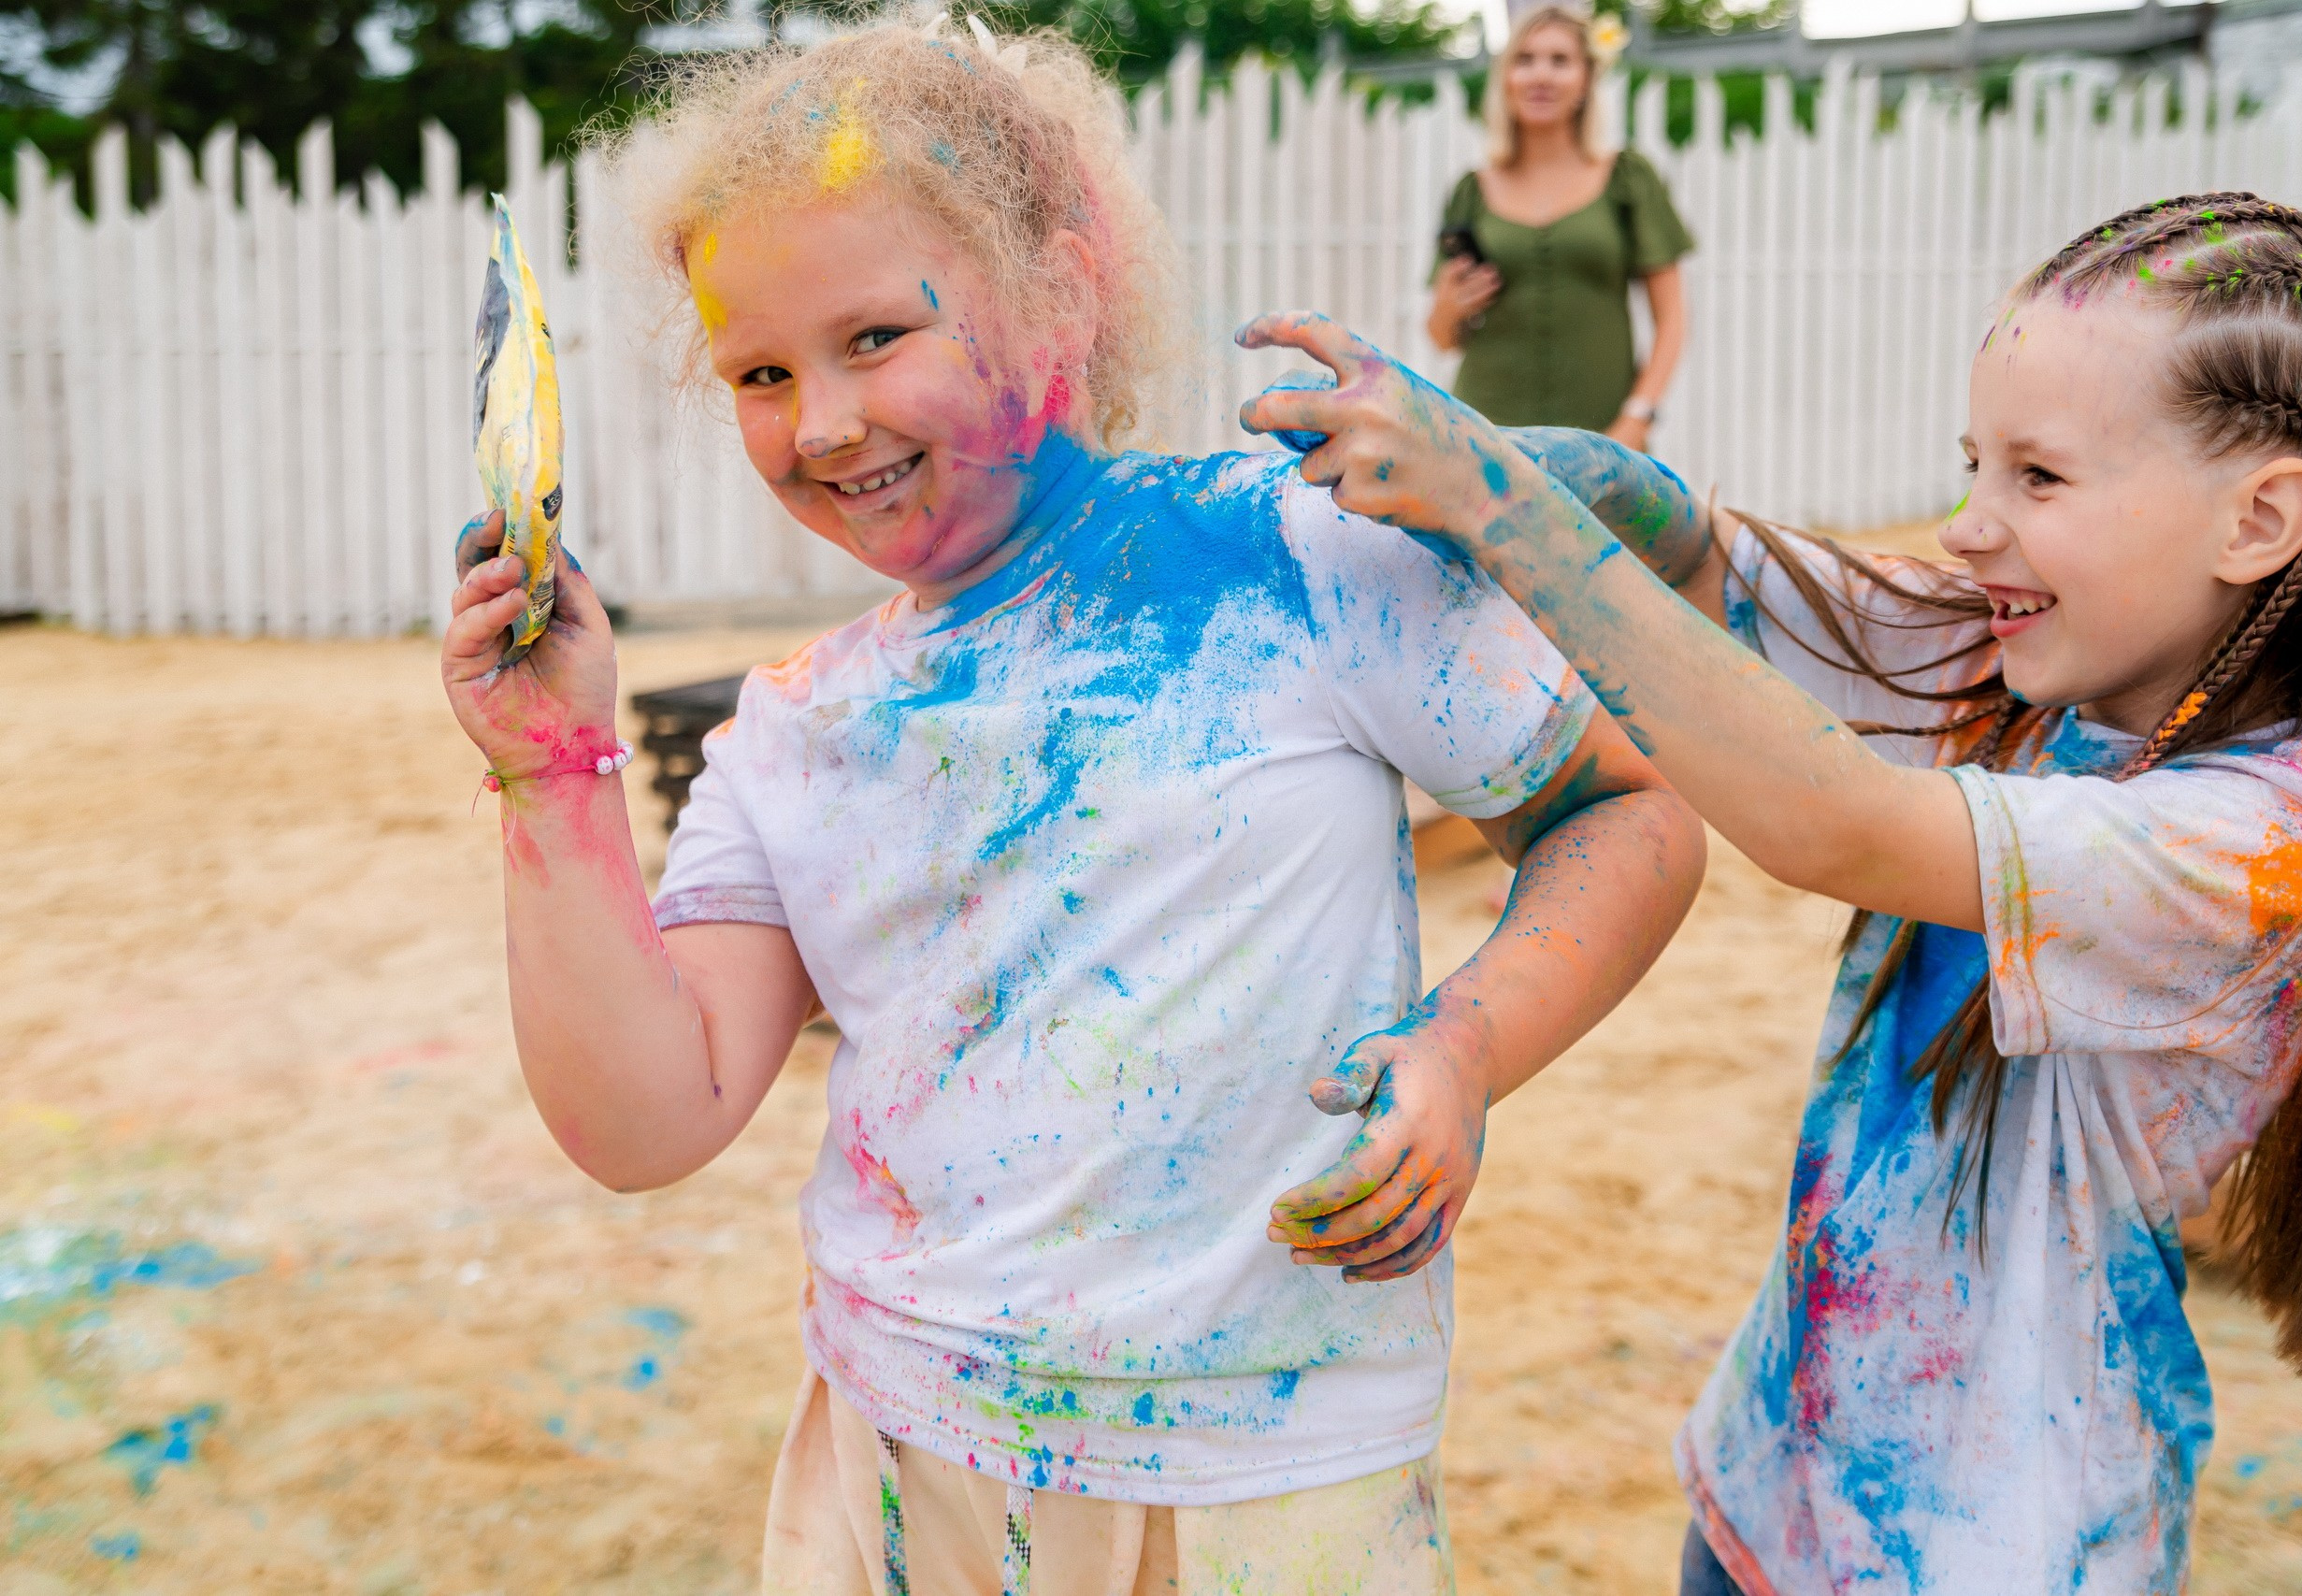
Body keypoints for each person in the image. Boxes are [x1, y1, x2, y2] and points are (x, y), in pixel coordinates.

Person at [439, 18, 1706, 1595]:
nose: (820, 421)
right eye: (761, 371)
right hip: (897, 1456)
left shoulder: (1298, 560)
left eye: (874, 338)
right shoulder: (793, 731)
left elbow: (1629, 815)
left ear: (1062, 286)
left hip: (1269, 1473)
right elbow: (644, 1118)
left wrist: (1468, 1043)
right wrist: (545, 766)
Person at [1240, 189, 2302, 1595]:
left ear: (2258, 516)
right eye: (1975, 464)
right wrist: (1547, 467)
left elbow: (1833, 822)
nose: (1973, 527)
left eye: (2040, 478)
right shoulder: (2031, 668)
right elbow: (1714, 563)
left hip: (1997, 1546)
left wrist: (1506, 510)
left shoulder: (2284, 840)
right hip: (1775, 1476)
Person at [1426, 3, 1691, 453]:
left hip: (1602, 442)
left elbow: (1672, 320)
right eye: (1525, 60)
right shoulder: (1472, 190)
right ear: (1506, 77)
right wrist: (1451, 305)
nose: (1541, 75)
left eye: (1560, 60)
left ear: (1587, 79)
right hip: (1485, 441)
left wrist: (1637, 418)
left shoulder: (1627, 178)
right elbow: (1442, 338)